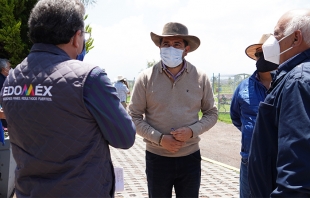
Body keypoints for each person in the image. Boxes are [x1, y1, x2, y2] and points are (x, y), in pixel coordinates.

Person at [0, 0, 136, 197]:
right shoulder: (89, 78)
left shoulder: (11, 79)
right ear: (76, 37)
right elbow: (124, 138)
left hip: (28, 191)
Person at [128, 22, 218, 197]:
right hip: (157, 158)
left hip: (190, 156)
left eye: (176, 44)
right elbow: (134, 116)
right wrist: (160, 139)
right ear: (159, 47)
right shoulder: (145, 78)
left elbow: (211, 113)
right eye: (165, 44)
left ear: (186, 49)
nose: (170, 48)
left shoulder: (200, 77)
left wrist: (192, 131)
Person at [248, 9, 310, 197]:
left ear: (296, 38)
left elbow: (297, 162)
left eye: (277, 34)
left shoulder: (298, 80)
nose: (271, 42)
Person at [230, 34, 278, 198]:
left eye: (267, 52)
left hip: (281, 161)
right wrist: (253, 132)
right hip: (250, 161)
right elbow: (236, 117)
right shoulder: (243, 88)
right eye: (259, 54)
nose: (262, 57)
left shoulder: (288, 83)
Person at [0, 58, 10, 129]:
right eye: (9, 67)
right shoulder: (2, 80)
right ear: (4, 69)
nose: (10, 69)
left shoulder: (4, 78)